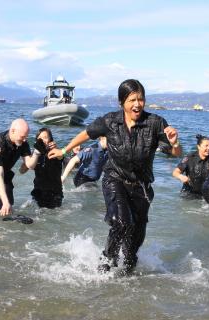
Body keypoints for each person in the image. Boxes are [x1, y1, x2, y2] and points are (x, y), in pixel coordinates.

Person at [48, 79, 182, 276]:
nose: (137, 104)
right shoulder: (110, 121)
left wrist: (175, 143)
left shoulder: (155, 123)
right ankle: (106, 261)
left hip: (142, 188)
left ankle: (127, 276)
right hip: (115, 179)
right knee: (121, 222)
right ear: (122, 102)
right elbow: (86, 134)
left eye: (141, 99)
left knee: (132, 247)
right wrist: (64, 150)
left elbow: (175, 153)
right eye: (132, 100)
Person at [20, 127, 64, 209]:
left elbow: (61, 156)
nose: (43, 140)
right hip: (38, 192)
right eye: (40, 138)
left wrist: (56, 149)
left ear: (50, 140)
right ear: (37, 141)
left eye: (45, 137)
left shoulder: (56, 152)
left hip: (54, 194)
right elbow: (21, 171)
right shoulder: (35, 155)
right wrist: (32, 157)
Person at [172, 134, 209, 198]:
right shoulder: (189, 158)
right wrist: (181, 176)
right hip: (189, 192)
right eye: (206, 146)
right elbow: (175, 172)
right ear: (198, 146)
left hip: (205, 193)